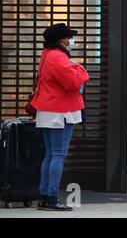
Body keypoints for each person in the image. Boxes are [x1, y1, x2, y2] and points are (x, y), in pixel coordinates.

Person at [32, 23, 90, 211]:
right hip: (60, 111)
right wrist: (80, 68)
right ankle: (51, 197)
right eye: (69, 37)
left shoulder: (47, 54)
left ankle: (44, 196)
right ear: (61, 40)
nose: (71, 40)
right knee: (58, 154)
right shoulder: (58, 56)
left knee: (50, 154)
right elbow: (73, 82)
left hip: (49, 109)